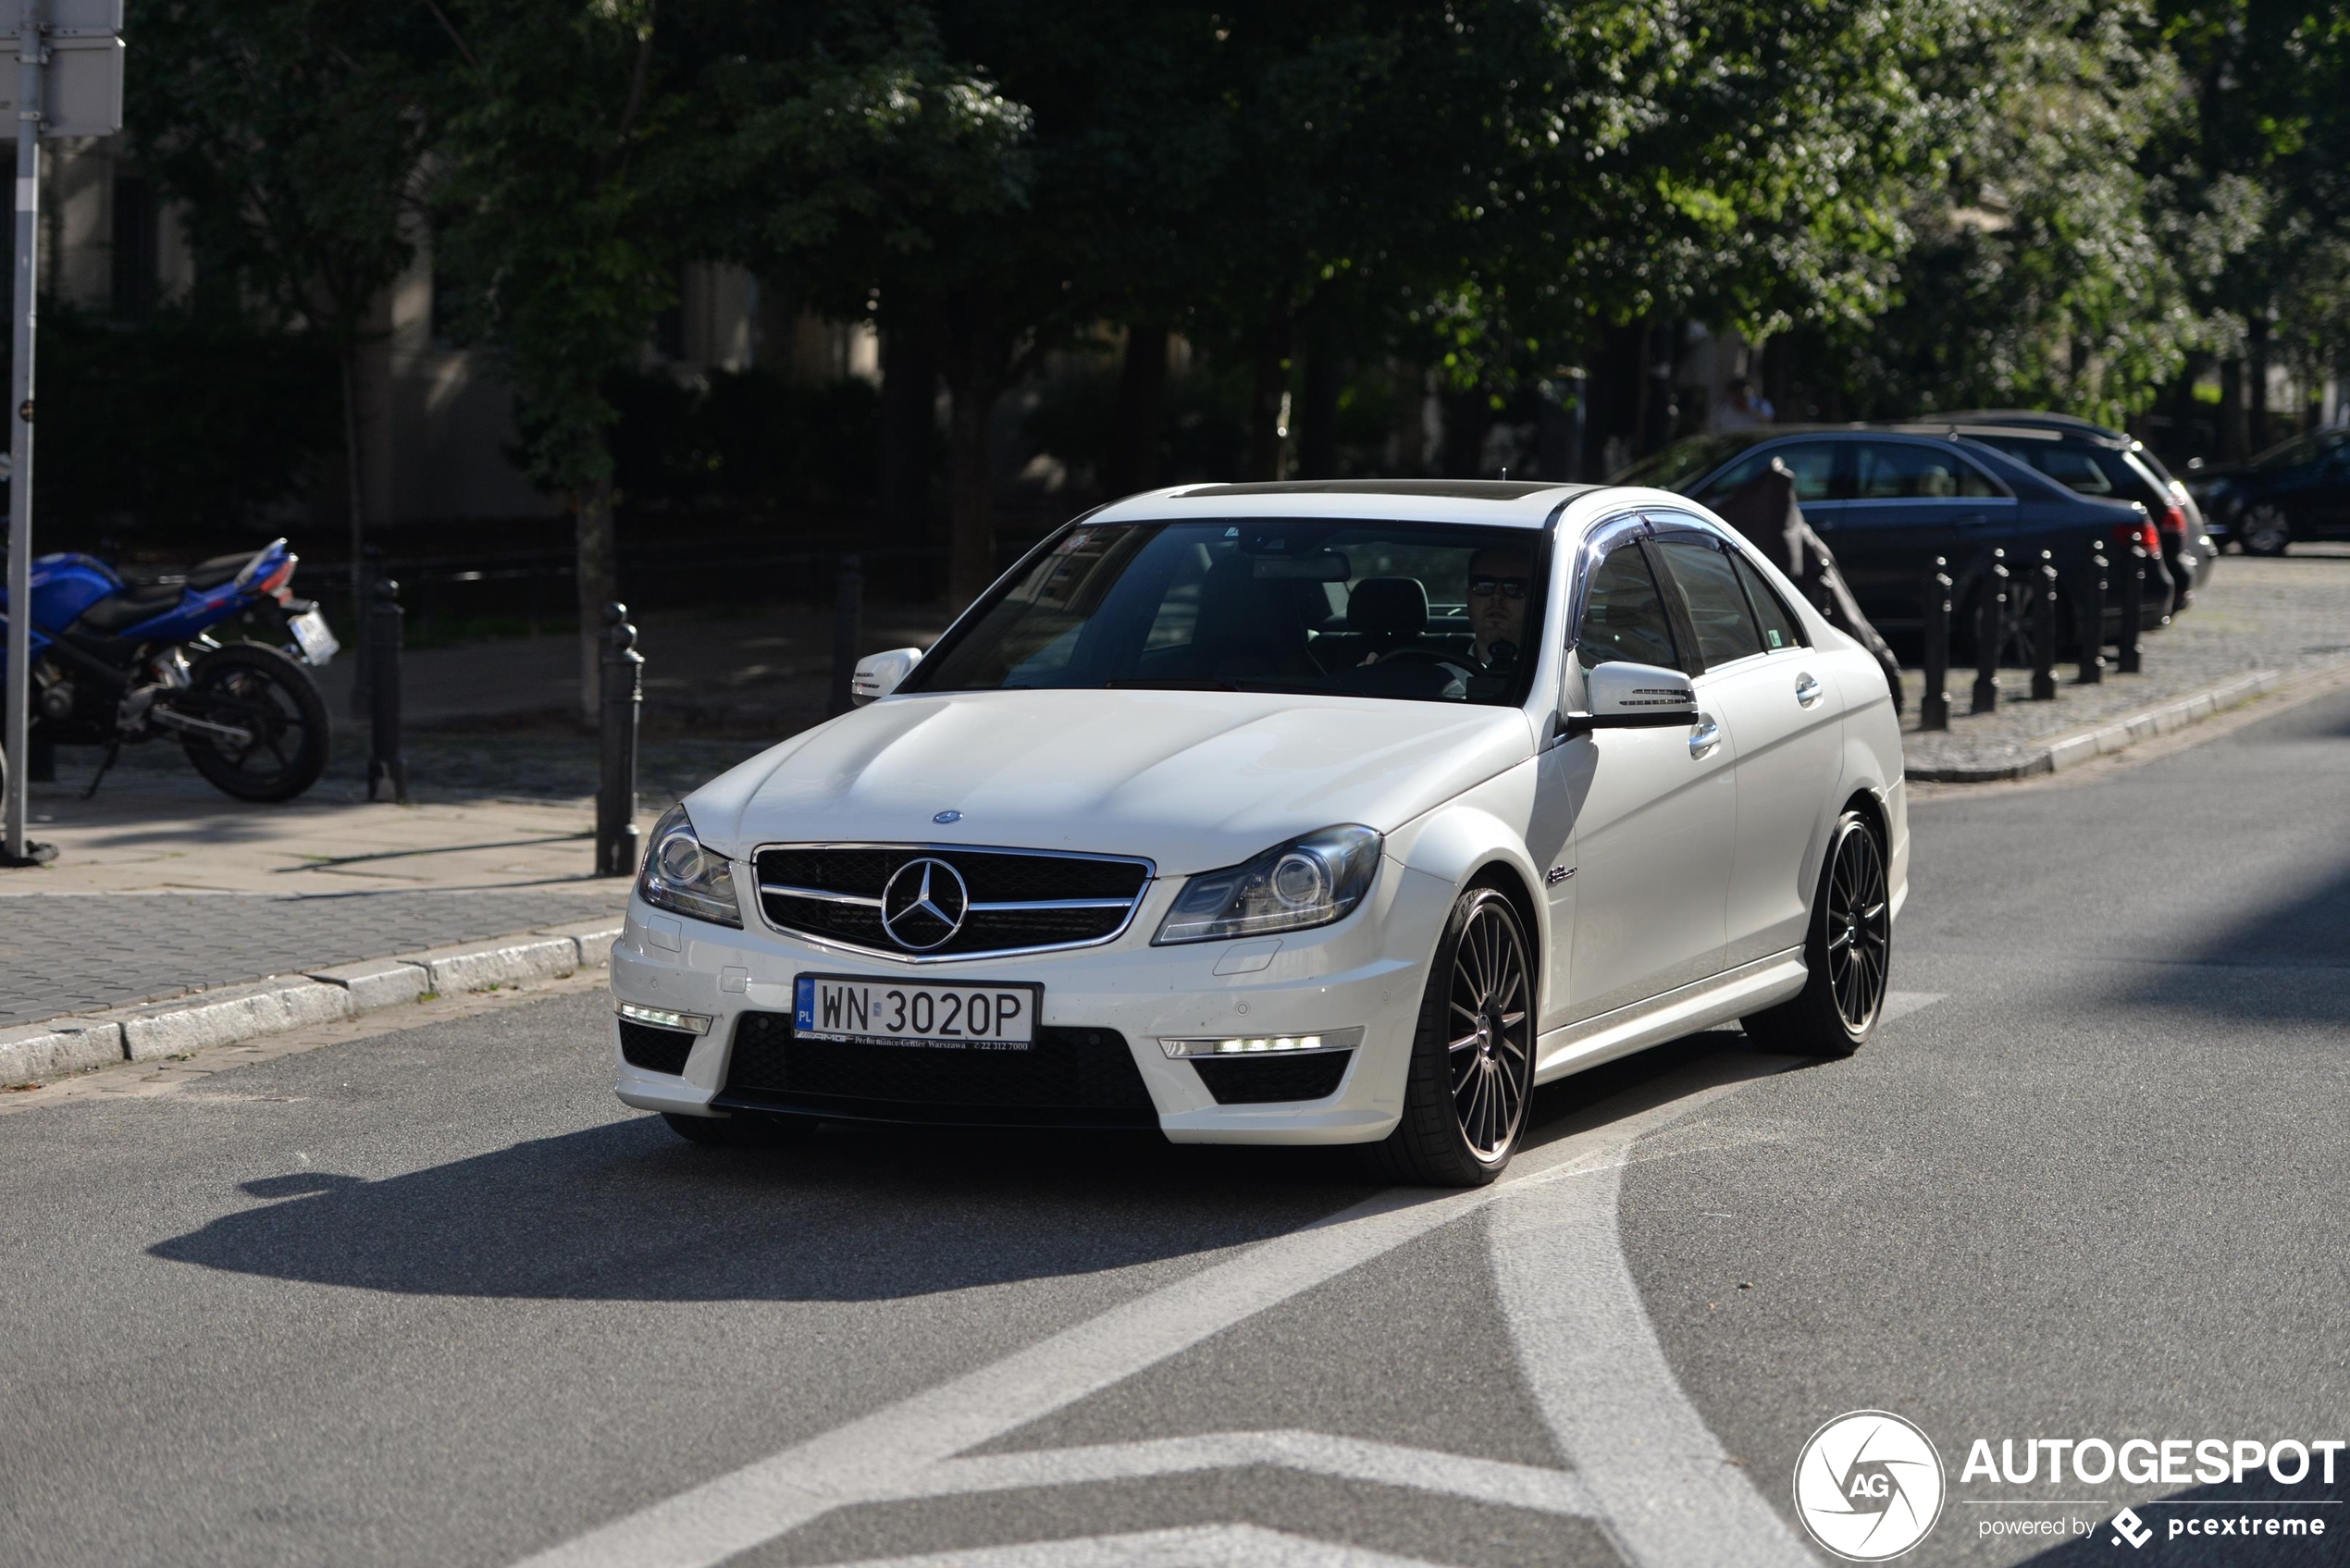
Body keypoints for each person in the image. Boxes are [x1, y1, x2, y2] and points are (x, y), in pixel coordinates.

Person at [1465, 547, 1530, 668]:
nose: (1497, 596)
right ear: (1468, 598)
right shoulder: (1437, 681)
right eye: (1483, 585)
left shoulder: (1563, 678)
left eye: (1514, 587)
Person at [1709, 375, 1775, 432]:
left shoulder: (1761, 405)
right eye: (1738, 395)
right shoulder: (1722, 409)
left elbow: (1768, 423)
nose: (1741, 399)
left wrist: (1750, 410)